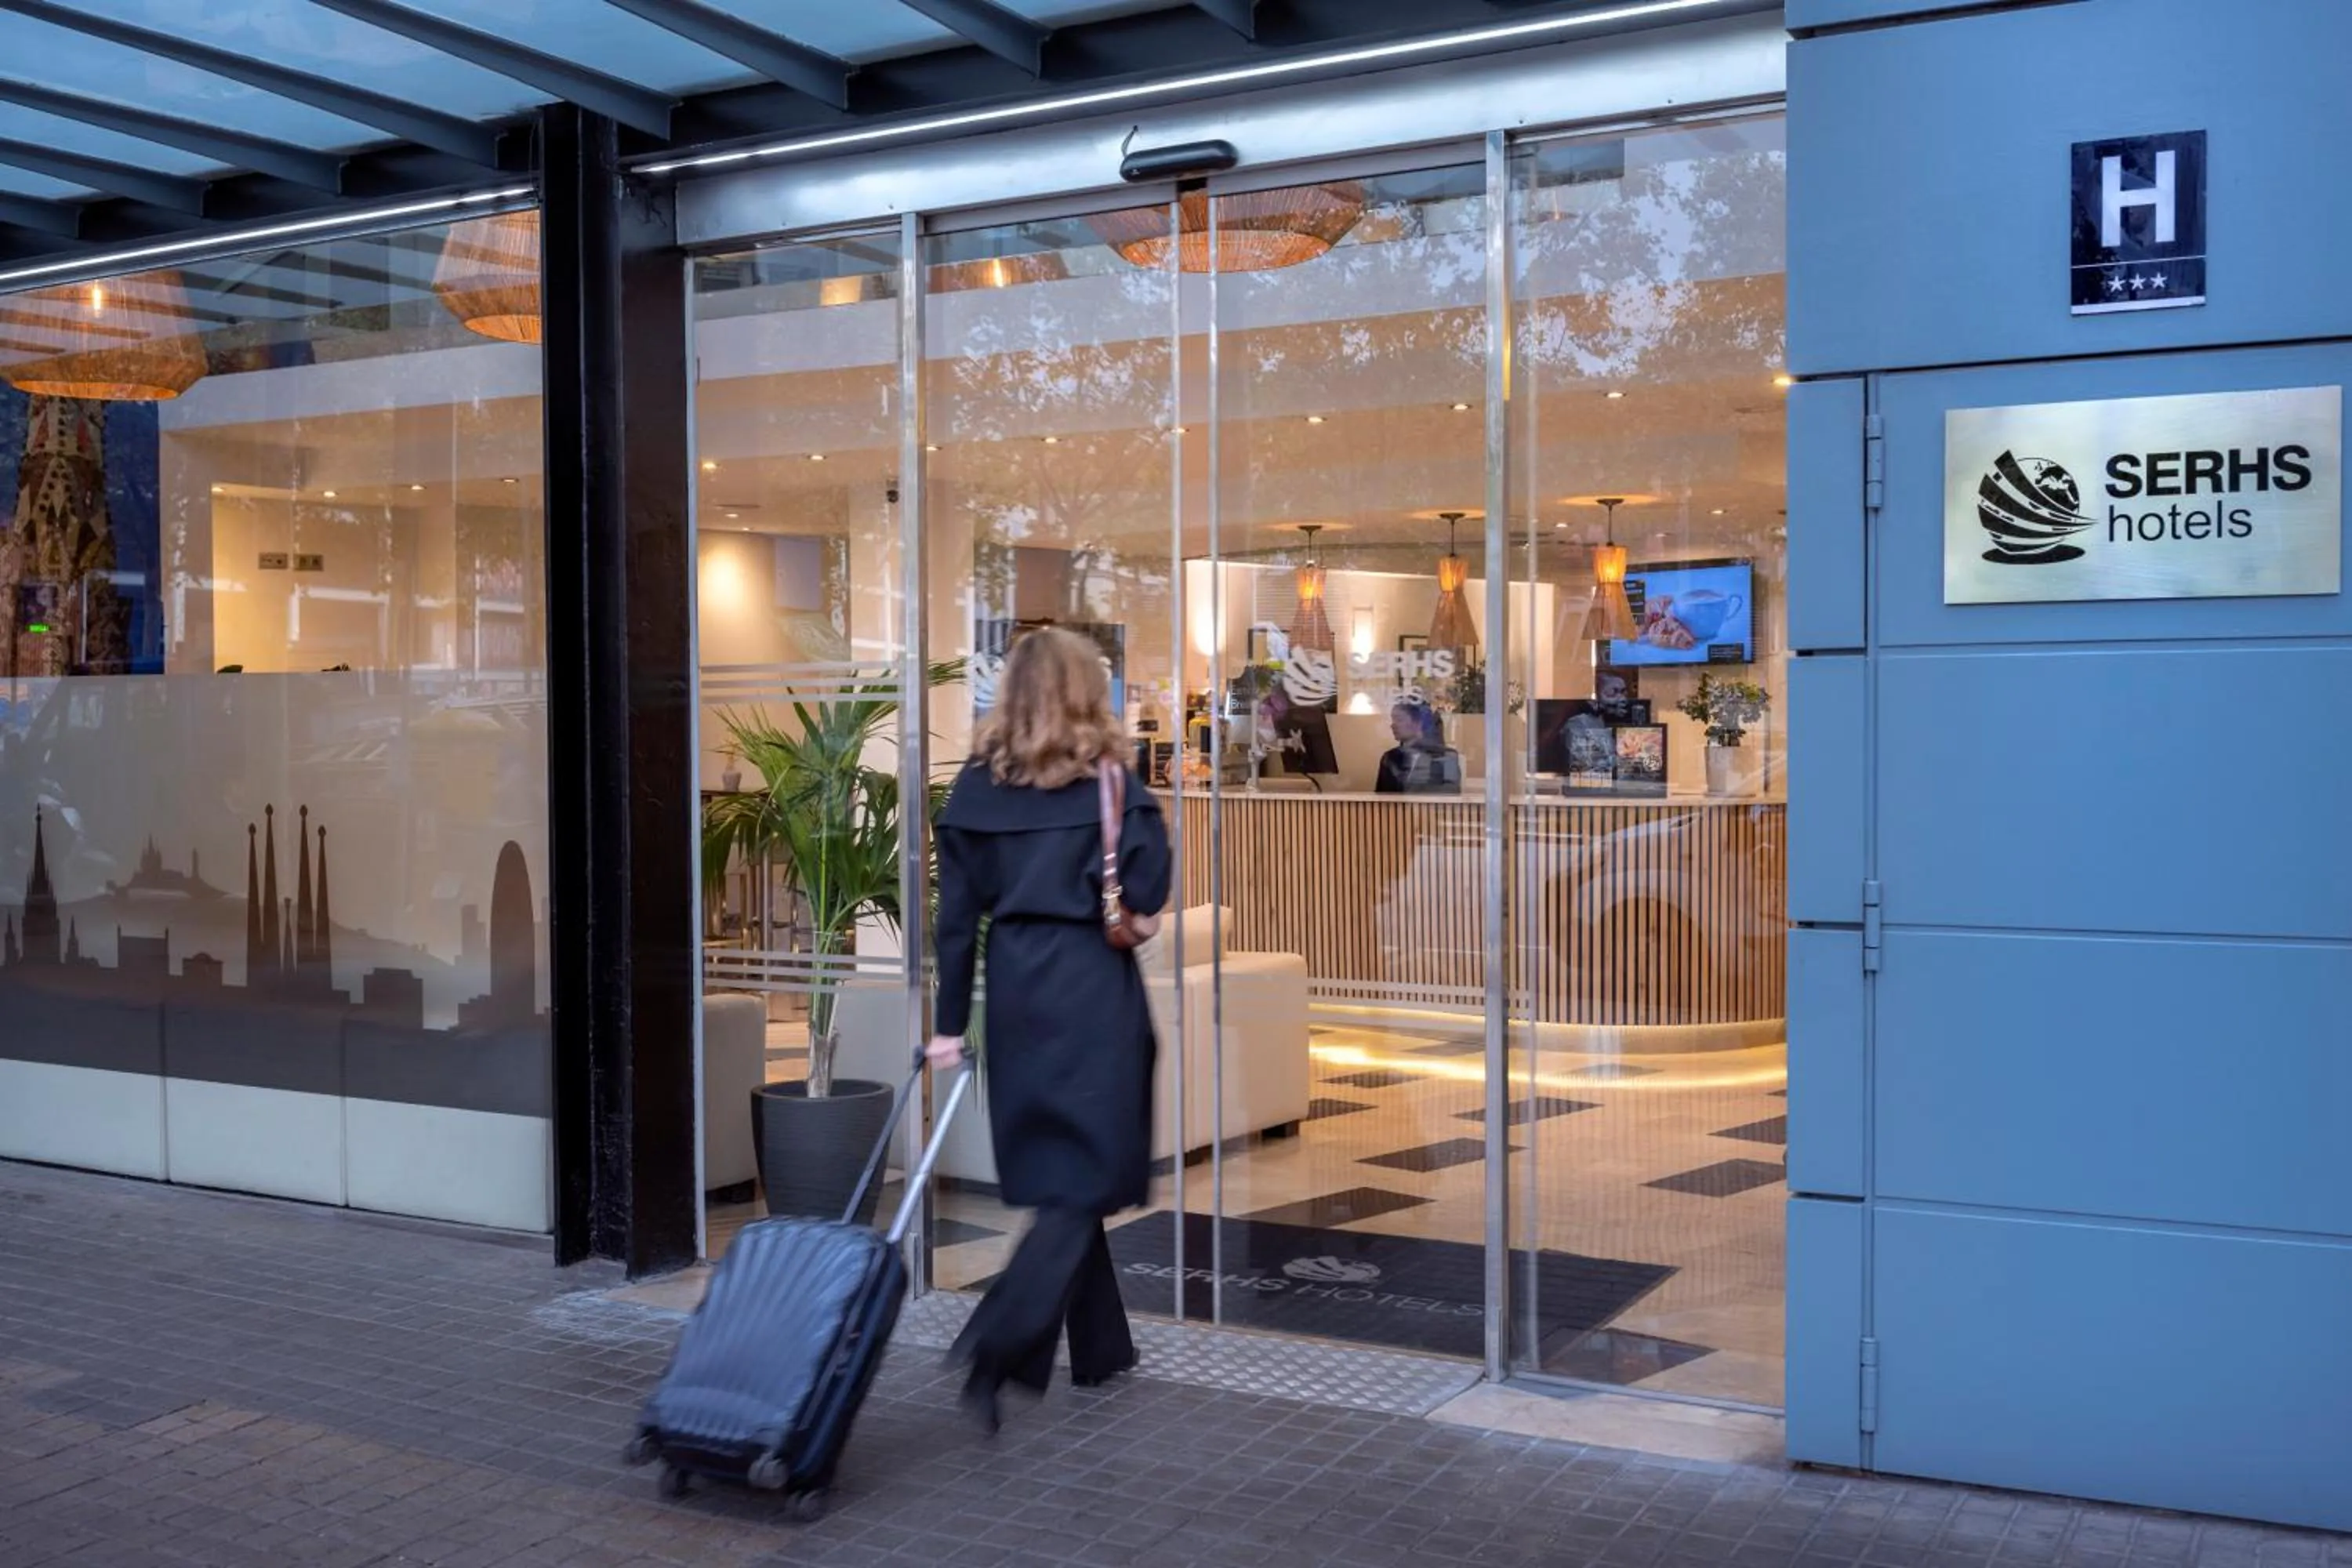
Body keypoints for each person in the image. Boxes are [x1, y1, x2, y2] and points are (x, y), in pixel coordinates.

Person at [926, 626, 1171, 1433]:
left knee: (1068, 1168)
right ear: (1086, 692)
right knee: (1085, 1178)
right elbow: (1149, 887)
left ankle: (1104, 1348)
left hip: (1019, 993)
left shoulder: (973, 790)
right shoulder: (1111, 784)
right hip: (1093, 993)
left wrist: (948, 1028)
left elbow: (956, 925)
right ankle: (995, 1344)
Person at [1374, 697, 1461, 794]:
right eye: (1393, 720)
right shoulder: (1390, 759)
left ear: (1419, 723)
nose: (1393, 725)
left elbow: (1450, 795)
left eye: (1399, 719)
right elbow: (1381, 798)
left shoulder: (1446, 757)